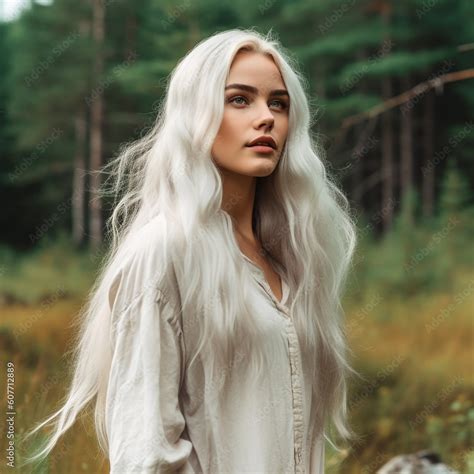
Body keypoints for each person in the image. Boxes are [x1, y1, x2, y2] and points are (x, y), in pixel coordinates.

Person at [21, 27, 359, 473]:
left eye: (278, 103)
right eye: (240, 99)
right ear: (195, 114)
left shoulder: (291, 259)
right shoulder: (163, 252)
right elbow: (146, 452)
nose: (267, 118)